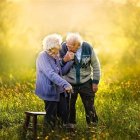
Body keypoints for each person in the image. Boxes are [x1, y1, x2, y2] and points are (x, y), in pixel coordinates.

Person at [59, 33, 101, 128]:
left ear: (77, 45)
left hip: (85, 82)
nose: (67, 47)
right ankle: (70, 127)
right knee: (69, 106)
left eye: (69, 46)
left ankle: (92, 126)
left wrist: (95, 82)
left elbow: (96, 65)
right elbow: (57, 66)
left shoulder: (87, 47)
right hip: (69, 82)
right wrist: (64, 60)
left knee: (89, 105)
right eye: (67, 45)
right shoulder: (63, 47)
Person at [35, 34, 73, 135]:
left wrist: (69, 61)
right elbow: (50, 74)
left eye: (55, 49)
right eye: (50, 50)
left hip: (59, 90)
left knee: (64, 114)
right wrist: (65, 84)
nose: (53, 52)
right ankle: (47, 135)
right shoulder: (42, 56)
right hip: (49, 90)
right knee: (51, 117)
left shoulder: (56, 56)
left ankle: (60, 135)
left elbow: (61, 72)